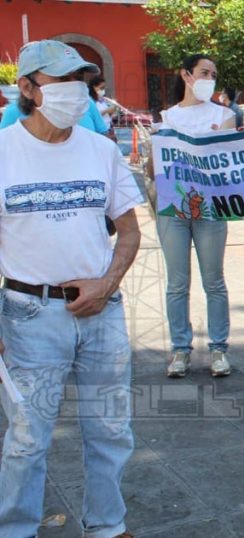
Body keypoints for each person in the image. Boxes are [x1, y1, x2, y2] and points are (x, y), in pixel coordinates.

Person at [0, 40, 143, 538]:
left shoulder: (101, 149)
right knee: (27, 439)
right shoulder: (3, 152)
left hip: (103, 312)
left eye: (81, 81)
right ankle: (15, 529)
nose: (76, 91)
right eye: (62, 81)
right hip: (27, 315)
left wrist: (106, 285)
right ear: (28, 88)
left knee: (111, 429)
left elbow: (130, 232)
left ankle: (107, 524)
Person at [157, 53, 237, 378]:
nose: (210, 79)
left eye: (214, 75)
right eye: (204, 72)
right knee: (177, 284)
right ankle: (180, 350)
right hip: (172, 210)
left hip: (211, 209)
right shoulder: (166, 118)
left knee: (213, 281)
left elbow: (231, 161)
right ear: (186, 75)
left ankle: (218, 349)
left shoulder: (225, 116)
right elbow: (154, 168)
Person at [1, 70, 108, 135]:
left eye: (79, 78)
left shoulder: (87, 103)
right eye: (63, 78)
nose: (74, 85)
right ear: (27, 87)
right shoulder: (13, 112)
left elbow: (102, 134)